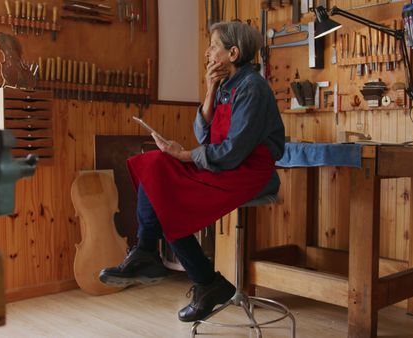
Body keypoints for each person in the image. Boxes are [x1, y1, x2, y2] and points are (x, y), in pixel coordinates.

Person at [99, 21, 285, 322]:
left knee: (170, 194)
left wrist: (184, 155)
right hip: (228, 165)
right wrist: (210, 88)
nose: (207, 52)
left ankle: (205, 281)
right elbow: (205, 136)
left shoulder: (253, 88)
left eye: (213, 46)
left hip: (252, 172)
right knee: (154, 163)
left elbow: (233, 151)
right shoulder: (226, 85)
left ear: (233, 53)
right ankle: (149, 251)